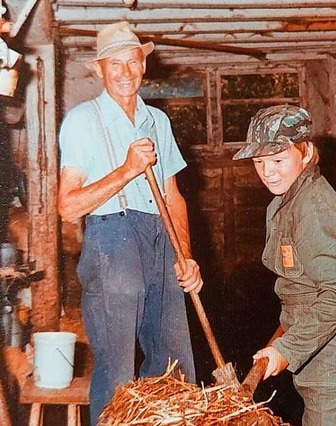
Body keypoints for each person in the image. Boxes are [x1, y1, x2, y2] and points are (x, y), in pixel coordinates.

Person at [57, 21, 203, 425]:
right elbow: (67, 207)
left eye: (133, 62)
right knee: (117, 366)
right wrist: (126, 170)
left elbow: (173, 197)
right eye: (114, 64)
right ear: (99, 70)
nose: (125, 72)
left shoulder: (158, 121)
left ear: (144, 66)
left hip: (162, 236)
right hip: (111, 236)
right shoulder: (82, 122)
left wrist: (185, 257)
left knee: (176, 365)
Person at [233, 105, 336, 425]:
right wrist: (281, 343)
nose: (267, 171)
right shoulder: (285, 202)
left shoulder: (312, 209)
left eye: (278, 159)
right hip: (322, 352)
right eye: (259, 161)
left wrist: (288, 349)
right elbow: (300, 289)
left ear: (306, 153)